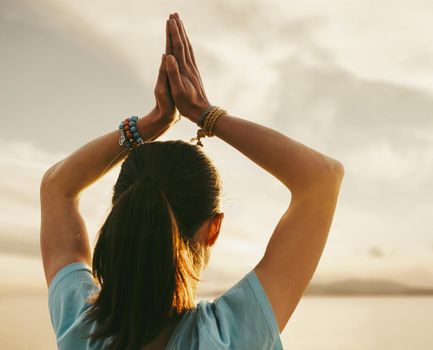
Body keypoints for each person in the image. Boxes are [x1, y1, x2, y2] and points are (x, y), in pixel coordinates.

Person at [40, 12, 344, 350]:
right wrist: (204, 112)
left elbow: (57, 186)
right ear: (213, 229)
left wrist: (150, 123)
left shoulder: (81, 331)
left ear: (119, 213)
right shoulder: (229, 337)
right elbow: (321, 178)